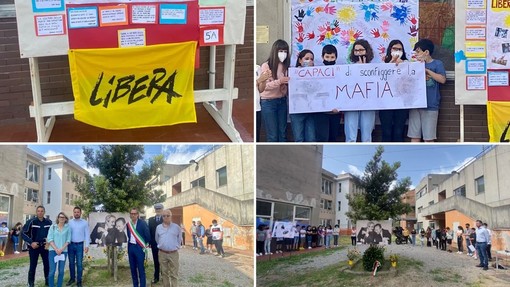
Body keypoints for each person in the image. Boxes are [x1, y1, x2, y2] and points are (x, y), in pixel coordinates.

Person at [408, 38, 446, 142]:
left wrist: (426, 70)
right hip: (415, 105)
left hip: (430, 105)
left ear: (426, 52)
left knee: (428, 138)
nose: (416, 53)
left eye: (418, 51)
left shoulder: (437, 64)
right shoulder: (413, 64)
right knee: (414, 136)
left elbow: (442, 79)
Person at [344, 39, 376, 142]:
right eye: (356, 50)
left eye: (361, 50)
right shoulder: (348, 68)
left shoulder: (375, 68)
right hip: (351, 103)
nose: (358, 53)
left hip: (368, 104)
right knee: (350, 135)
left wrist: (364, 69)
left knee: (367, 136)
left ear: (367, 51)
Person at [259, 39, 291, 142]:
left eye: (285, 51)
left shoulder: (286, 66)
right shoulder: (266, 66)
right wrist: (280, 81)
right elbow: (265, 86)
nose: (283, 54)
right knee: (272, 135)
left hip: (282, 101)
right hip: (268, 102)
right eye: (281, 51)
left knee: (283, 133)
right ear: (275, 51)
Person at [379, 39, 410, 142]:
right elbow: (381, 78)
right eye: (395, 49)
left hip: (401, 103)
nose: (397, 51)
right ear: (390, 49)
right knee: (386, 131)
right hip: (386, 103)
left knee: (398, 131)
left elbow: (410, 80)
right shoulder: (383, 62)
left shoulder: (407, 63)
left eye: (400, 49)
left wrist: (403, 65)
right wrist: (391, 62)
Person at [314, 44, 342, 142]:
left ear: (336, 57)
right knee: (322, 138)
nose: (329, 60)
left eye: (332, 57)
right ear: (322, 57)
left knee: (333, 138)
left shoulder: (341, 73)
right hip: (321, 113)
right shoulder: (315, 72)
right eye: (327, 57)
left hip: (335, 113)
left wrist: (340, 107)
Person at [22, 205, 52, 287]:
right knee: (33, 265)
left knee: (47, 264)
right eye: (38, 211)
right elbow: (23, 233)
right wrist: (31, 242)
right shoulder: (31, 221)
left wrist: (49, 242)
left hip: (45, 247)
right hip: (34, 247)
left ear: (44, 212)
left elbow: (53, 234)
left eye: (42, 211)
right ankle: (31, 283)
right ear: (36, 212)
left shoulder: (49, 222)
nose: (40, 212)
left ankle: (47, 281)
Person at [290, 49, 316, 142]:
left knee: (311, 138)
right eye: (306, 58)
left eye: (312, 59)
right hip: (297, 111)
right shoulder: (292, 73)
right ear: (300, 60)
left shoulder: (317, 74)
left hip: (310, 111)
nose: (309, 61)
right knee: (299, 138)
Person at [155, 209, 182, 287]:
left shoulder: (176, 227)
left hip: (173, 253)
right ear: (162, 217)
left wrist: (175, 247)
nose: (166, 217)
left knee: (174, 273)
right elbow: (157, 239)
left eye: (168, 215)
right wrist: (162, 245)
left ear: (171, 216)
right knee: (164, 273)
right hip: (162, 253)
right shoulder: (158, 227)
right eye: (164, 216)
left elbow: (179, 239)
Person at [126, 208, 151, 287]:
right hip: (131, 248)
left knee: (141, 269)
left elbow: (148, 235)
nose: (133, 215)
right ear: (130, 215)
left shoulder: (142, 223)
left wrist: (144, 244)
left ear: (137, 215)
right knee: (133, 269)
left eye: (134, 213)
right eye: (131, 213)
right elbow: (128, 235)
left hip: (139, 248)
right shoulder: (128, 224)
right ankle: (135, 285)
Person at [67, 207, 89, 287]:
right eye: (75, 212)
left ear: (80, 213)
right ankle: (72, 278)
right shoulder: (69, 222)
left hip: (80, 245)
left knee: (79, 264)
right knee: (71, 263)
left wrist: (87, 245)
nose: (76, 213)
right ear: (73, 213)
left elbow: (87, 235)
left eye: (78, 212)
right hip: (71, 245)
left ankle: (79, 281)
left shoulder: (85, 223)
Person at [48, 212, 71, 287]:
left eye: (63, 217)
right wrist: (56, 249)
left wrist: (61, 249)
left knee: (61, 271)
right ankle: (51, 285)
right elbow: (50, 239)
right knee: (52, 271)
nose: (61, 218)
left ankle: (59, 285)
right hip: (53, 251)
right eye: (60, 217)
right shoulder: (53, 227)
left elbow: (68, 240)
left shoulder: (68, 228)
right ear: (58, 218)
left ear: (65, 219)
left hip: (63, 252)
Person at [148, 203, 164, 284]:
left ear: (162, 210)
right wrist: (149, 242)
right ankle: (156, 277)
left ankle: (164, 277)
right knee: (156, 261)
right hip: (154, 245)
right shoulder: (150, 220)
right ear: (155, 210)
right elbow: (149, 232)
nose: (158, 210)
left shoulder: (165, 219)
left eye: (159, 209)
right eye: (157, 209)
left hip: (164, 245)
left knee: (164, 261)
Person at [256, 65, 272, 142]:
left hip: (257, 107)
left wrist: (264, 80)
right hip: (254, 107)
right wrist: (258, 81)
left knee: (256, 135)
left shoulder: (257, 68)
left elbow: (260, 89)